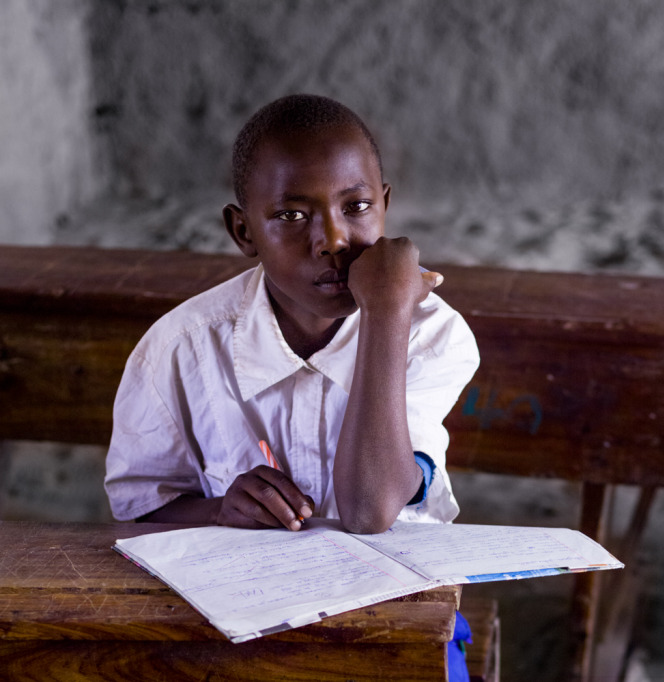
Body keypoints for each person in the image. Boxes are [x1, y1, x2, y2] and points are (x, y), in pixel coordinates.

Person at [104, 93, 479, 536]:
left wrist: (385, 313)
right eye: (292, 214)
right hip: (247, 599)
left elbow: (369, 510)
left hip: (405, 599)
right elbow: (138, 507)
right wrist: (219, 510)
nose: (333, 240)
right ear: (243, 232)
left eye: (356, 207)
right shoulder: (178, 348)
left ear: (385, 205)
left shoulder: (429, 332)